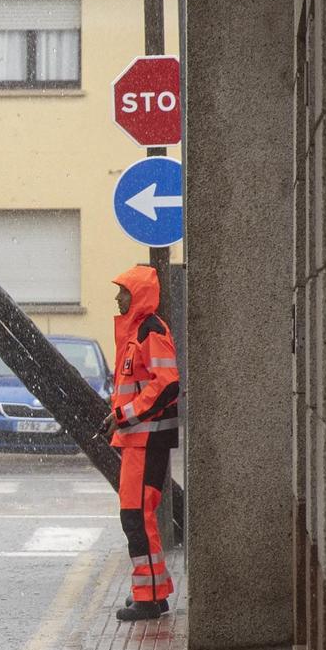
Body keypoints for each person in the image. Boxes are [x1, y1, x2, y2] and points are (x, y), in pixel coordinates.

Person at [105, 265, 181, 622]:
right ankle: (152, 592)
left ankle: (149, 597)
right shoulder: (136, 333)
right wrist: (120, 417)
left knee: (136, 517)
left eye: (124, 292)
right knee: (137, 517)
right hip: (137, 439)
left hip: (145, 439)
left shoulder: (150, 331)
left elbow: (166, 384)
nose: (118, 298)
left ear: (138, 296)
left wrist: (126, 415)